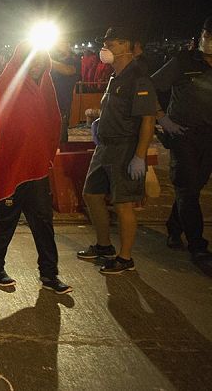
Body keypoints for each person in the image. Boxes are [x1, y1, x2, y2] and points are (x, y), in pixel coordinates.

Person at [0, 43, 73, 294]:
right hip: (9, 169)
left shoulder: (46, 86)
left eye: (39, 60)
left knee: (44, 223)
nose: (35, 66)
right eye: (30, 60)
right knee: (5, 224)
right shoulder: (5, 85)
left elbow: (53, 121)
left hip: (37, 170)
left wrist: (47, 156)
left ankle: (49, 274)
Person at [78, 27, 157, 274]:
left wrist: (140, 156)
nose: (105, 49)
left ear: (126, 46)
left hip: (125, 148)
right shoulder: (115, 76)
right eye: (105, 43)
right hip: (105, 147)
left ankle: (125, 258)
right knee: (91, 194)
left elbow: (148, 119)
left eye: (111, 44)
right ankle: (104, 246)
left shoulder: (138, 77)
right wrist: (99, 120)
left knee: (124, 204)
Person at [151, 16, 212, 266]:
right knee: (187, 188)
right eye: (207, 35)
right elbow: (149, 87)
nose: (208, 41)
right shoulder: (184, 61)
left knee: (195, 186)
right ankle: (198, 247)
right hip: (182, 134)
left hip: (209, 136)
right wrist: (162, 119)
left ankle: (174, 226)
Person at [50, 41, 81, 141]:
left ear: (67, 44)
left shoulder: (74, 59)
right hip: (49, 99)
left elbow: (68, 70)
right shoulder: (54, 57)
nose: (57, 45)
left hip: (63, 101)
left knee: (60, 130)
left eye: (60, 42)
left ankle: (61, 153)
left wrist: (48, 59)